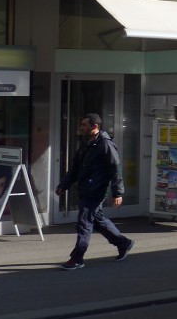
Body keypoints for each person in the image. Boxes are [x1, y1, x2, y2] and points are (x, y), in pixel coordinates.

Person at [54, 113, 133, 270]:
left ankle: (77, 258)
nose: (81, 127)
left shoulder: (105, 144)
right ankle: (123, 243)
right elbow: (75, 167)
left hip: (96, 190)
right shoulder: (86, 143)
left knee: (84, 223)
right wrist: (64, 185)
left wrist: (118, 193)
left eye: (84, 125)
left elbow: (115, 169)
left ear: (95, 127)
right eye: (81, 124)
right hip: (85, 188)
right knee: (97, 221)